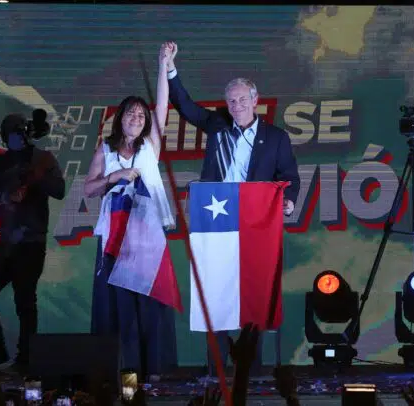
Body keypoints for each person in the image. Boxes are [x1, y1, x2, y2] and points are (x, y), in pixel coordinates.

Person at [164, 41, 300, 375]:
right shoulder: (217, 124)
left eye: (242, 100)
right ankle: (218, 365)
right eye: (231, 101)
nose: (236, 106)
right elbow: (185, 106)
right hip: (217, 222)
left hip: (256, 223)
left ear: (255, 100)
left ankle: (251, 368)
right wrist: (170, 67)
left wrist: (289, 200)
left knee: (255, 290)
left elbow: (290, 177)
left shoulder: (276, 137)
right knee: (215, 289)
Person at [84, 43, 177, 379]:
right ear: (120, 119)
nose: (136, 119)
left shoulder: (150, 146)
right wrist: (115, 176)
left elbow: (162, 104)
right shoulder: (106, 150)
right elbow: (89, 189)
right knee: (118, 303)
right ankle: (122, 369)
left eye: (141, 115)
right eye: (130, 114)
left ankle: (154, 370)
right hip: (115, 237)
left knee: (148, 302)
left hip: (147, 235)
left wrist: (163, 64)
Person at [0, 113, 65, 373]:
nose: (17, 138)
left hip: (31, 241)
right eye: (11, 133)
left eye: (20, 132)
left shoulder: (43, 159)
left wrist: (36, 175)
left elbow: (59, 190)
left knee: (24, 299)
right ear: (4, 137)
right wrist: (6, 195)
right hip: (3, 241)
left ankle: (26, 358)